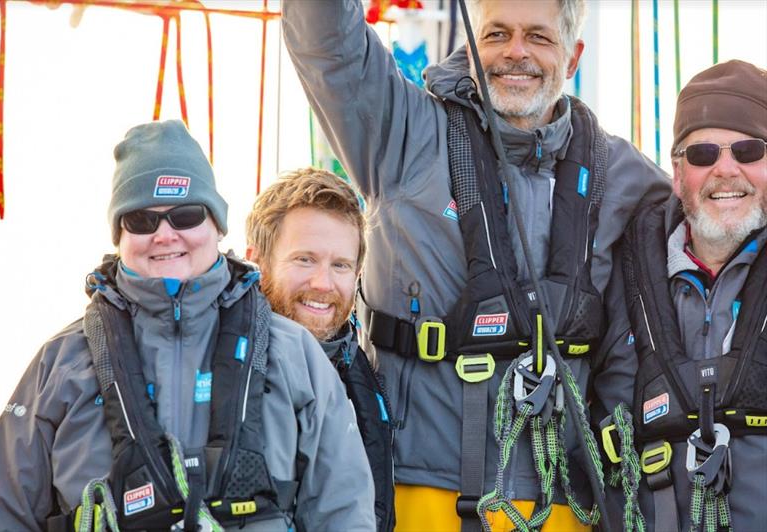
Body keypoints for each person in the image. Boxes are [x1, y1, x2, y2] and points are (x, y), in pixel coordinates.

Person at [281, 0, 672, 530]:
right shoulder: (402, 135)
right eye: (497, 34)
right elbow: (326, 44)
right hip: (418, 495)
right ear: (471, 46)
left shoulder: (625, 178)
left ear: (573, 56)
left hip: (568, 508)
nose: (515, 52)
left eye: (538, 37)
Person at [0, 120, 376, 532]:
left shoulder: (295, 355)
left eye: (185, 215)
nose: (165, 235)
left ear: (217, 225)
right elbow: (3, 516)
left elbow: (344, 511)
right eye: (142, 220)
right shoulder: (59, 364)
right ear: (119, 234)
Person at [605, 60, 767, 531]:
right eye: (702, 155)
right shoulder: (622, 272)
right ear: (677, 175)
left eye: (748, 149)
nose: (725, 169)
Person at [245, 167, 395, 532]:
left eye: (340, 265)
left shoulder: (361, 371)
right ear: (257, 261)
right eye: (304, 259)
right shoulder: (225, 363)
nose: (323, 284)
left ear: (358, 273)